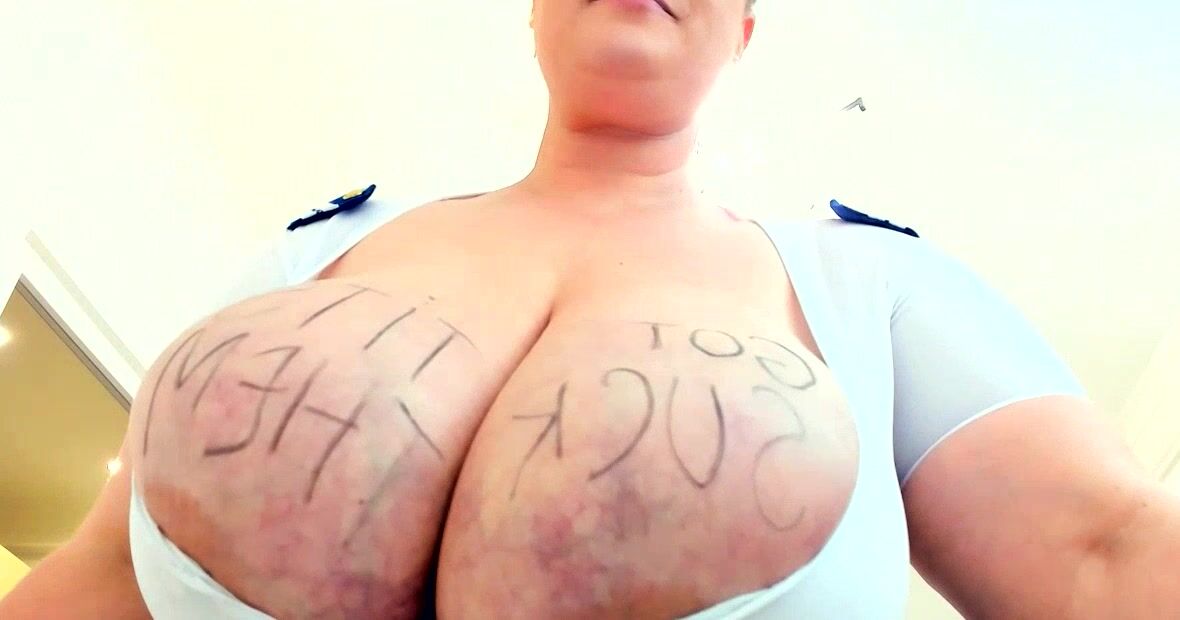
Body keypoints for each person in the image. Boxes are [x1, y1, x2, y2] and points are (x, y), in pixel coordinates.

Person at [4, 0, 1179, 618]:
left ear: (744, 28)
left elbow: (1104, 554)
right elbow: (103, 578)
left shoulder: (873, 285)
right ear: (528, 9)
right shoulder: (316, 251)